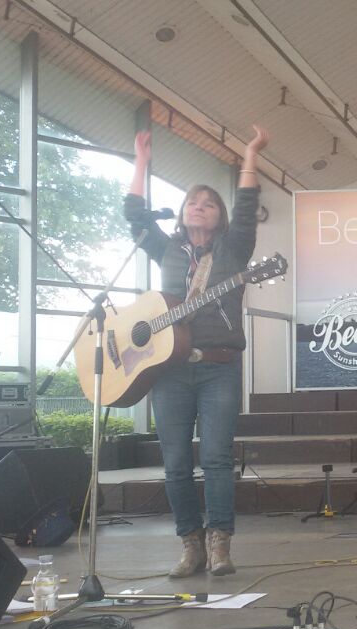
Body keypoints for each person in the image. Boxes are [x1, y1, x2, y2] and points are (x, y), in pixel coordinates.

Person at [124, 125, 268, 577]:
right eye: (192, 202)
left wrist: (250, 153)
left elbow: (247, 207)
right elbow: (134, 216)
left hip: (219, 367)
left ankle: (219, 543)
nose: (199, 206)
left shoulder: (234, 248)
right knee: (175, 464)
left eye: (208, 203)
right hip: (168, 370)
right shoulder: (167, 250)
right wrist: (141, 162)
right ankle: (191, 544)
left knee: (217, 459)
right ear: (183, 215)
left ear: (219, 216)